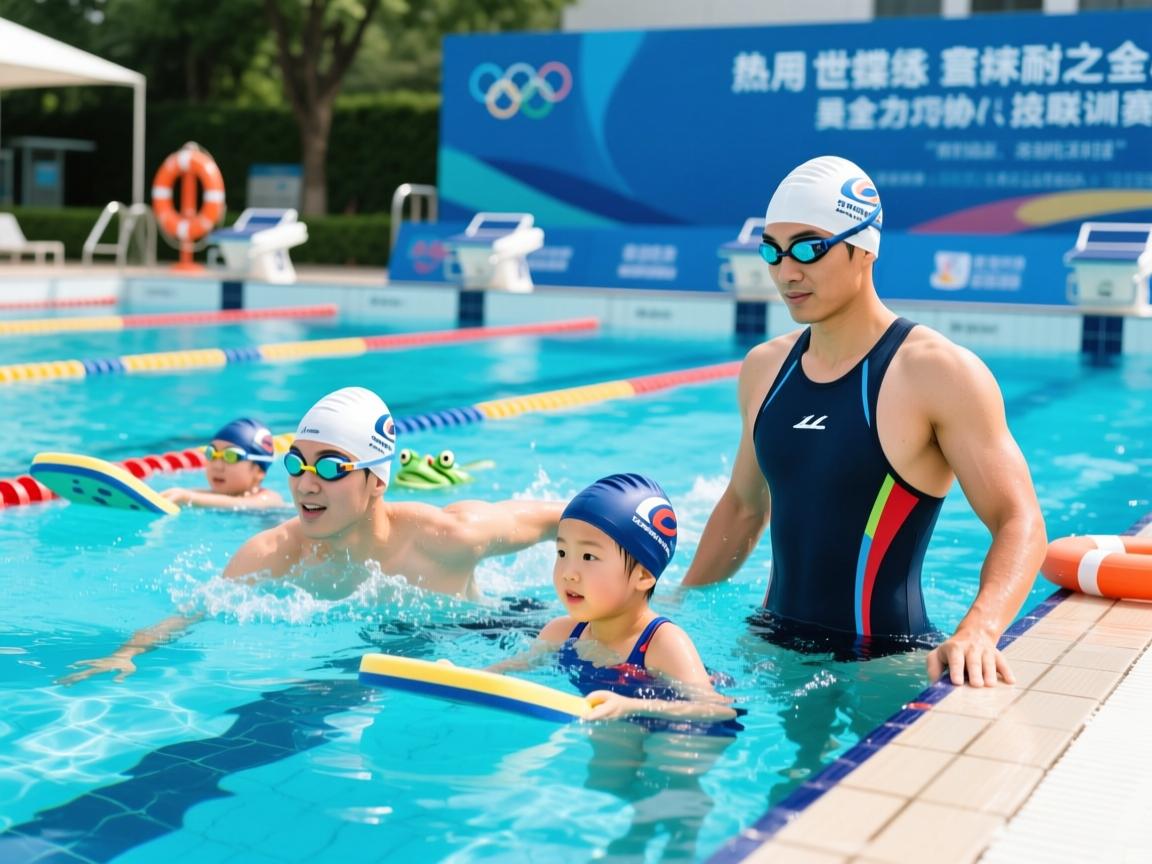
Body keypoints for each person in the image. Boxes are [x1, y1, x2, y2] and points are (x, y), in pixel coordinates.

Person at [681, 155, 1047, 688]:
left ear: (865, 247)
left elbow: (1021, 522)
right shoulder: (765, 368)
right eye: (772, 251)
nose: (787, 271)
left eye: (809, 247)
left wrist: (979, 630)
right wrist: (678, 603)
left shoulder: (934, 372)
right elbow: (743, 506)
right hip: (769, 646)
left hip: (884, 663)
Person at [61, 386, 565, 684]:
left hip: (486, 626)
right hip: (382, 646)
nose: (306, 483)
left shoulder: (450, 534)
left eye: (330, 466)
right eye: (297, 463)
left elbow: (560, 517)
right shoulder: (275, 553)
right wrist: (127, 652)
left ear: (377, 479)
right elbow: (194, 611)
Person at [492, 473, 738, 728]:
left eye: (588, 557)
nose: (568, 572)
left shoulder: (663, 643)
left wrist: (631, 706)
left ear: (642, 576)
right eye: (562, 552)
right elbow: (510, 669)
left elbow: (716, 708)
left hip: (686, 727)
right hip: (617, 716)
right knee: (608, 750)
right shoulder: (561, 632)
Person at [161, 418, 284, 510]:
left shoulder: (269, 499)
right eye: (211, 454)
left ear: (259, 471)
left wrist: (187, 498)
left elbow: (241, 505)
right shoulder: (214, 495)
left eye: (231, 456)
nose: (217, 465)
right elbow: (186, 494)